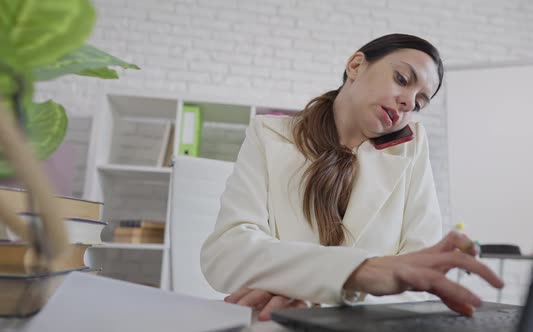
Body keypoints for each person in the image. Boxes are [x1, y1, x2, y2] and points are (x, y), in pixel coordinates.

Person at [200, 33, 503, 321]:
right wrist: (356, 274)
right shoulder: (268, 135)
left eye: (419, 103)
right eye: (401, 79)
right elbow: (227, 253)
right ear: (356, 65)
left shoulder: (409, 150)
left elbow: (419, 278)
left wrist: (311, 292)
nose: (409, 102)